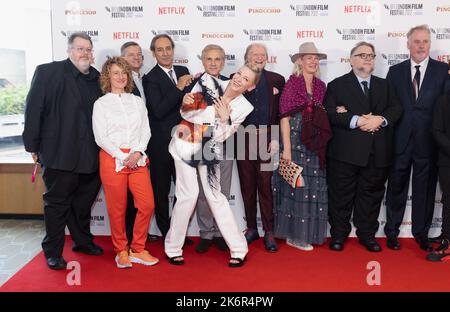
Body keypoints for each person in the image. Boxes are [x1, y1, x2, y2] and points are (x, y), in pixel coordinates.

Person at [164, 64, 261, 267]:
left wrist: (225, 121)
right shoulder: (208, 81)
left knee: (217, 198)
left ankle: (239, 249)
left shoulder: (245, 107)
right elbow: (186, 112)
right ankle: (173, 248)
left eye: (245, 79)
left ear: (249, 87)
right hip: (185, 143)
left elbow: (220, 136)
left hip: (209, 151)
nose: (239, 79)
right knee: (187, 196)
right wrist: (216, 115)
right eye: (239, 74)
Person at [22, 32, 103, 270]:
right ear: (69, 50)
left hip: (91, 155)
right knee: (56, 206)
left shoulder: (98, 78)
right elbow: (33, 109)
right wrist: (32, 146)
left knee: (82, 204)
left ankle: (82, 241)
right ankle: (53, 251)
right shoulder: (48, 72)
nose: (85, 53)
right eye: (80, 49)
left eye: (88, 49)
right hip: (58, 153)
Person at [324, 41, 403, 252]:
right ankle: (338, 235)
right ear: (351, 60)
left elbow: (396, 109)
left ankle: (367, 235)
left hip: (377, 153)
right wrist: (357, 120)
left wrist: (380, 119)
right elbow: (330, 113)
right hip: (345, 153)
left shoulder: (385, 85)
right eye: (362, 55)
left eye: (371, 55)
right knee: (340, 196)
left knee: (371, 196)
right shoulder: (336, 85)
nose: (367, 58)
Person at [384, 25, 449, 251]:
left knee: (425, 189)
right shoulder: (395, 71)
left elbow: (446, 109)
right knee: (396, 186)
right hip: (400, 140)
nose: (421, 45)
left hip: (430, 142)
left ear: (430, 44)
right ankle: (391, 231)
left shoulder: (443, 71)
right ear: (408, 44)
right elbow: (388, 106)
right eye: (417, 41)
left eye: (425, 41)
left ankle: (421, 233)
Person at [92, 57, 158, 269]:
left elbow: (146, 130)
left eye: (124, 73)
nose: (120, 77)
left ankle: (138, 248)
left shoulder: (137, 101)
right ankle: (121, 250)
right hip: (112, 159)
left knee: (147, 205)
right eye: (116, 73)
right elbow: (100, 137)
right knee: (117, 209)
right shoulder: (101, 104)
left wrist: (137, 152)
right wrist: (122, 156)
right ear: (107, 77)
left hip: (137, 158)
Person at [273, 42, 331, 251]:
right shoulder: (292, 84)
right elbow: (284, 118)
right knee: (297, 186)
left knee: (313, 187)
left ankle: (308, 233)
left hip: (314, 142)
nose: (313, 61)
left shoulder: (321, 86)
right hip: (295, 142)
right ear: (300, 61)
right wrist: (286, 149)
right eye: (309, 58)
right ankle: (294, 236)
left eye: (316, 58)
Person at [142, 34, 193, 243]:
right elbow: (159, 110)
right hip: (160, 144)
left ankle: (178, 230)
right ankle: (166, 232)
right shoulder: (149, 78)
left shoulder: (183, 71)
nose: (165, 53)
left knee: (183, 190)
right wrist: (179, 88)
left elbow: (191, 106)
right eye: (160, 49)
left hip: (184, 141)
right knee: (161, 190)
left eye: (168, 48)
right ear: (153, 53)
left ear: (173, 50)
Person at [237, 43, 285, 252]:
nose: (259, 57)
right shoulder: (235, 78)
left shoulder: (276, 80)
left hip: (267, 138)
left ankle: (269, 230)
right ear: (246, 57)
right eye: (254, 54)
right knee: (247, 186)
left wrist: (276, 138)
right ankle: (250, 228)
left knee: (266, 186)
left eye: (262, 54)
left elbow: (280, 112)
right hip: (242, 139)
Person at [184, 44, 230, 253]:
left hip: (226, 143)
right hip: (202, 143)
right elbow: (188, 114)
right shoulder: (193, 84)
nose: (213, 63)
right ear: (203, 61)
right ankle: (206, 233)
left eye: (218, 59)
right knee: (204, 192)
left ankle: (221, 232)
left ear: (223, 61)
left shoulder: (231, 84)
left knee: (223, 190)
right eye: (209, 59)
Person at [120, 41, 156, 244]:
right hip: (127, 148)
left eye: (139, 55)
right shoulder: (121, 83)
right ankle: (127, 237)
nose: (136, 58)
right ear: (122, 58)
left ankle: (138, 234)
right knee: (126, 197)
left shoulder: (142, 80)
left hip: (143, 144)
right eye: (131, 55)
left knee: (139, 197)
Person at [427, 90, 450, 262]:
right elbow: (436, 130)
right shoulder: (443, 100)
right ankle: (447, 240)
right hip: (447, 160)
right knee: (449, 200)